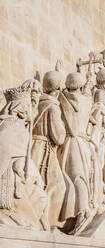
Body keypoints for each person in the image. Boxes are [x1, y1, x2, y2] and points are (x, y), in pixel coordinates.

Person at [58, 72, 102, 235]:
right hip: (83, 142)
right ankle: (73, 215)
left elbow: (60, 93)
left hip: (73, 141)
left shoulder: (64, 98)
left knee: (76, 176)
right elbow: (85, 93)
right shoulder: (87, 100)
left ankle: (83, 211)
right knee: (78, 176)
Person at [0, 86, 48, 230]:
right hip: (11, 183)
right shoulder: (12, 126)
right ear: (19, 108)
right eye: (27, 105)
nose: (30, 110)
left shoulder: (14, 126)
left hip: (19, 180)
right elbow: (16, 162)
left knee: (40, 196)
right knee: (39, 197)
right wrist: (32, 175)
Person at [31, 69, 66, 229]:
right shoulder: (53, 107)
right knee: (58, 186)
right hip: (45, 149)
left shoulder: (37, 103)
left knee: (36, 185)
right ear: (58, 89)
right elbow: (59, 137)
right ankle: (49, 225)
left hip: (33, 146)